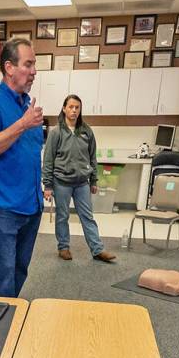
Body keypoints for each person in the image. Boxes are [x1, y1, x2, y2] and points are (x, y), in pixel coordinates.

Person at [0, 37, 44, 298]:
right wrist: (23, 124)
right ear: (9, 68)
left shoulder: (27, 105)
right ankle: (0, 326)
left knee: (20, 270)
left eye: (34, 65)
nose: (34, 71)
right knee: (4, 272)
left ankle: (8, 316)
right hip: (4, 206)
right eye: (28, 64)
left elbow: (30, 153)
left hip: (31, 204)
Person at [43, 94, 115, 263]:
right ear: (64, 108)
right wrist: (48, 185)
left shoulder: (86, 131)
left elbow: (92, 157)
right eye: (71, 107)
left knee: (87, 216)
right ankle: (64, 247)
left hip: (82, 182)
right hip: (61, 182)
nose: (74, 110)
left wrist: (94, 180)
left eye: (77, 107)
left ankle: (97, 249)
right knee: (63, 216)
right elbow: (48, 160)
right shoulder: (56, 133)